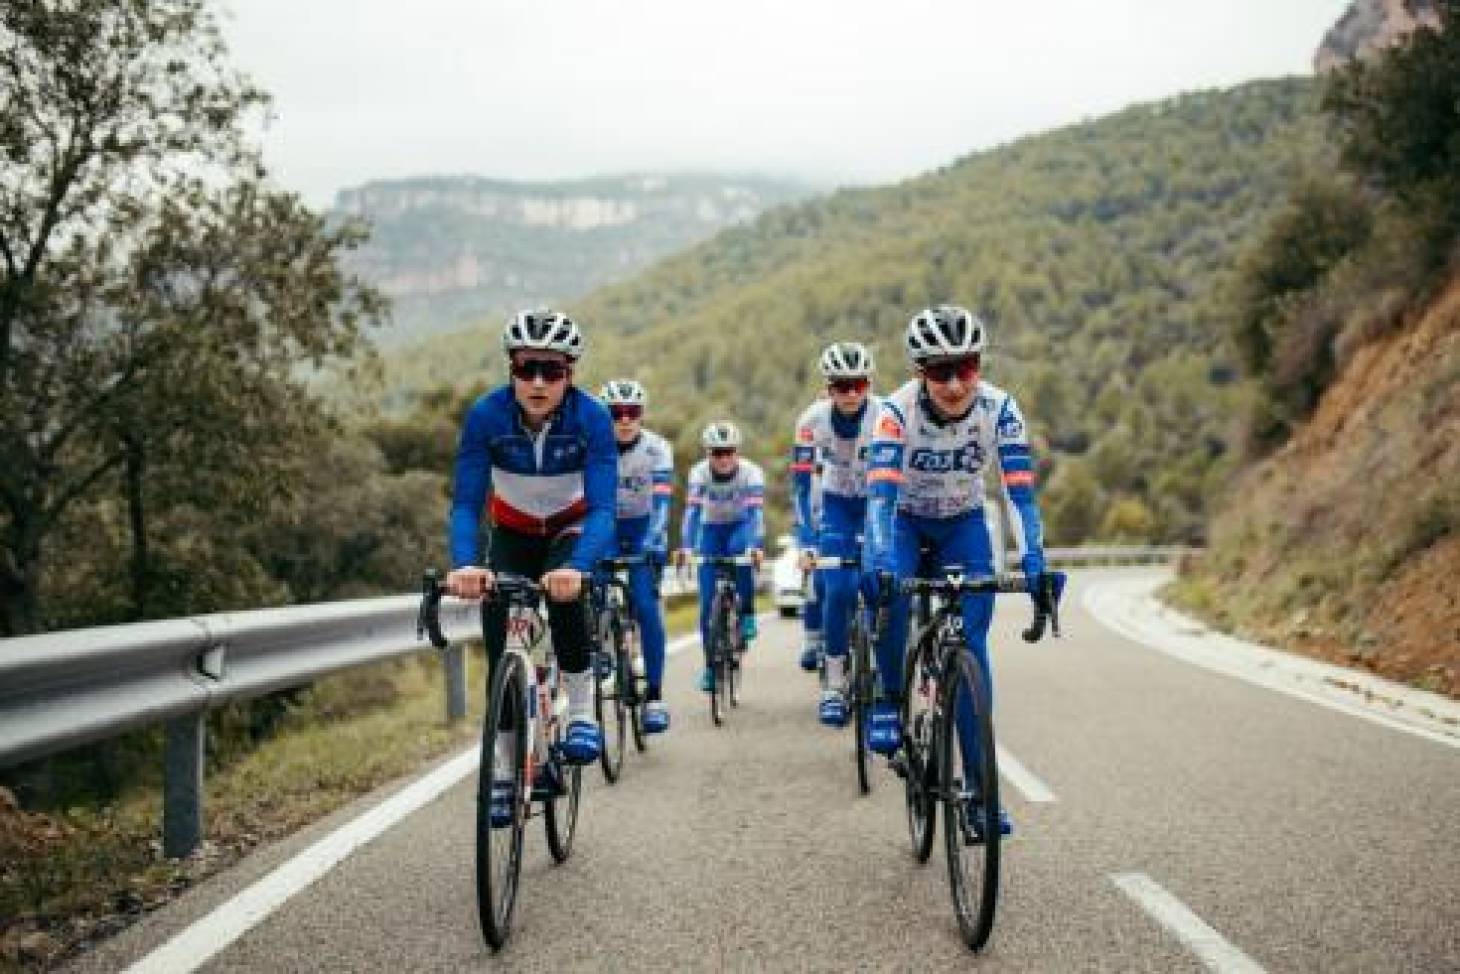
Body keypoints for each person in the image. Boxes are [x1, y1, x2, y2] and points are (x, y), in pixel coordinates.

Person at [864, 305, 1049, 835]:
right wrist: (878, 559)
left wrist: (1033, 557)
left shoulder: (1001, 409)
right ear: (920, 372)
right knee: (890, 595)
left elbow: (1019, 495)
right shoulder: (894, 414)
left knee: (972, 650)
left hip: (964, 524)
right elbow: (879, 498)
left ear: (979, 365)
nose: (953, 384)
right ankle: (888, 699)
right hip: (904, 522)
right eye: (939, 371)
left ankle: (978, 798)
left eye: (965, 368)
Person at [446, 309, 616, 778]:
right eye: (527, 369)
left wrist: (578, 568)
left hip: (570, 528)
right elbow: (465, 504)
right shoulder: (486, 416)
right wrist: (465, 563)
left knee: (564, 601)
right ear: (511, 371)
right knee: (499, 638)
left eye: (552, 371)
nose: (538, 383)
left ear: (570, 375)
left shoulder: (593, 418)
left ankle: (581, 711)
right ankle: (505, 769)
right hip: (513, 531)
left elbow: (604, 509)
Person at [790, 342, 881, 726]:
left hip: (878, 503)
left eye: (858, 384)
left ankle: (883, 664)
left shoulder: (886, 415)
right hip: (837, 505)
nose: (850, 393)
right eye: (841, 386)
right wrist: (807, 540)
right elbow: (798, 486)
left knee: (880, 585)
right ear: (828, 388)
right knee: (839, 589)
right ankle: (835, 681)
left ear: (869, 384)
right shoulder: (811, 421)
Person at [599, 378, 674, 733]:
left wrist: (655, 539)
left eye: (633, 413)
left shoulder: (658, 449)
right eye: (616, 413)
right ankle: (598, 650)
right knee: (592, 589)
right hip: (606, 528)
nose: (625, 419)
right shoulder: (594, 446)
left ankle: (655, 696)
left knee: (646, 607)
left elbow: (661, 502)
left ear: (642, 415)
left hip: (644, 529)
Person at [674, 421, 765, 692]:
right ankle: (710, 669)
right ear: (707, 454)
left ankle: (747, 613)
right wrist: (688, 547)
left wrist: (755, 544)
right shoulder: (699, 473)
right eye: (717, 453)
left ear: (737, 452)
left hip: (740, 527)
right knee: (705, 608)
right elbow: (691, 513)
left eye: (729, 452)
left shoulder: (752, 473)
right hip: (710, 531)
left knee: (743, 556)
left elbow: (755, 515)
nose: (723, 458)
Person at [796, 461, 826, 673]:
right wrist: (807, 548)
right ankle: (811, 641)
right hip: (816, 538)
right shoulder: (810, 485)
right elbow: (803, 520)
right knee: (813, 585)